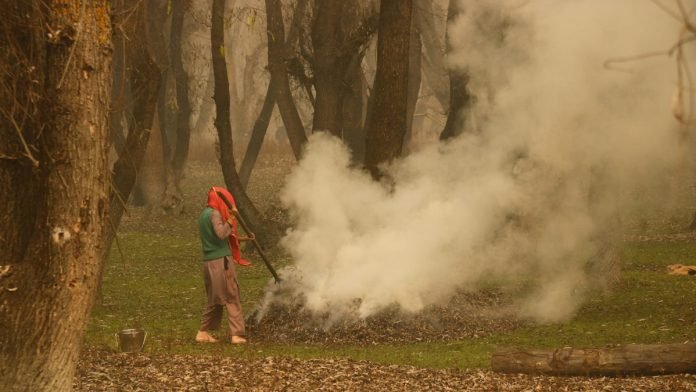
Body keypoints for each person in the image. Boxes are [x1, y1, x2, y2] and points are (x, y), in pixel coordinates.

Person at [195, 186, 254, 344]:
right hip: (221, 262)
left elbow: (217, 237)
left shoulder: (203, 215)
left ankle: (202, 332)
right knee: (231, 295)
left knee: (215, 298)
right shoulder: (215, 214)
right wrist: (231, 218)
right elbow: (221, 234)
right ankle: (237, 334)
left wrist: (244, 239)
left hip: (209, 262)